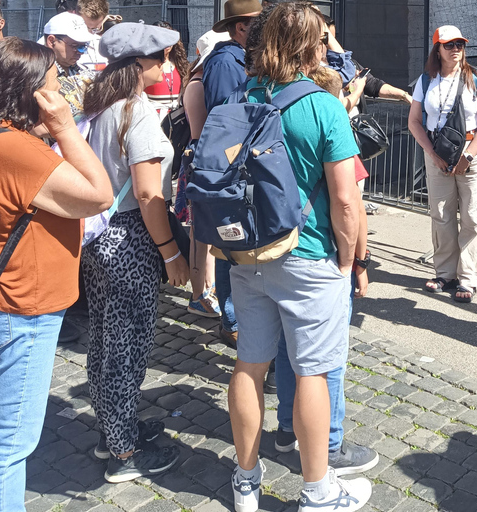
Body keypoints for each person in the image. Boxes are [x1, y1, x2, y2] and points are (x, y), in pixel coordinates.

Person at [227, 3, 371, 511]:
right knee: (311, 374)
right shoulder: (322, 106)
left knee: (250, 365)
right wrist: (348, 261)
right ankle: (317, 491)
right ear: (309, 46)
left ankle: (245, 482)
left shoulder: (241, 97)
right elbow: (345, 199)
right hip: (307, 254)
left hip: (248, 252)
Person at [0, 37, 112, 511]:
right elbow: (99, 195)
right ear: (32, 91)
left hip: (3, 297)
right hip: (24, 305)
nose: (64, 95)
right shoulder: (15, 150)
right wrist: (64, 128)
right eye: (56, 86)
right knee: (9, 446)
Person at [82, 22, 187, 483]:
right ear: (138, 64)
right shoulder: (135, 112)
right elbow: (148, 194)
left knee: (105, 339)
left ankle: (113, 430)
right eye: (161, 57)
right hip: (130, 236)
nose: (167, 65)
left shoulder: (99, 104)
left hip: (98, 238)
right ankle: (124, 453)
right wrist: (169, 253)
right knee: (128, 345)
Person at [407, 25, 477, 303]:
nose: (456, 49)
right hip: (437, 152)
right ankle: (445, 272)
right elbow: (414, 121)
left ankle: (469, 277)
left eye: (459, 44)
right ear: (438, 49)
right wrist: (432, 154)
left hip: (471, 151)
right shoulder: (425, 80)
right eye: (449, 45)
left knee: (471, 216)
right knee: (441, 215)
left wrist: (469, 155)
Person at [203, 0, 262, 349]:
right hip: (231, 168)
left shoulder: (241, 58)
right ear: (241, 27)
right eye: (258, 22)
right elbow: (229, 121)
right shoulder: (227, 62)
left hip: (241, 166)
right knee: (229, 245)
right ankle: (231, 320)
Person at [176, 29, 229, 322]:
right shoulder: (198, 85)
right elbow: (202, 132)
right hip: (200, 158)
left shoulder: (200, 81)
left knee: (205, 232)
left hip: (201, 157)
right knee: (199, 231)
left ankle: (206, 289)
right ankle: (198, 294)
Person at [146, 21, 189, 117]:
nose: (167, 43)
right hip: (153, 117)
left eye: (169, 38)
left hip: (177, 119)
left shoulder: (180, 64)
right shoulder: (145, 65)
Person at [40, 12, 95, 77]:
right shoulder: (38, 75)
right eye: (74, 46)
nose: (81, 52)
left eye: (83, 46)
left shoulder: (82, 71)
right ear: (51, 41)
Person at [76, 0, 110, 72]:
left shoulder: (106, 44)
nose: (90, 34)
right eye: (85, 27)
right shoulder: (65, 44)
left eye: (95, 29)